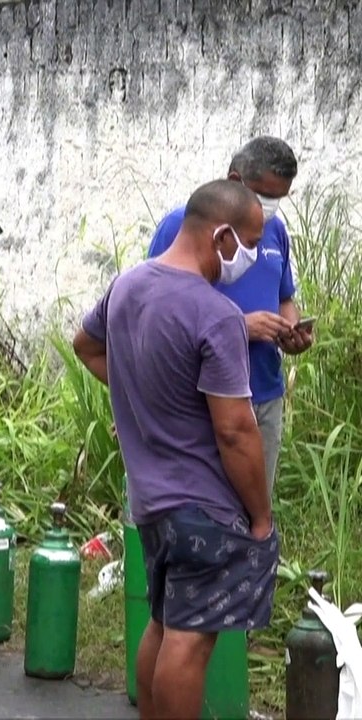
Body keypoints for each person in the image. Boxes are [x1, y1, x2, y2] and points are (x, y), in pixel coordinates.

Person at [73, 179, 278, 719]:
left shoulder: (128, 285)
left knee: (163, 625)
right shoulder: (216, 315)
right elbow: (235, 430)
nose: (251, 257)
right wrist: (261, 518)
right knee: (190, 639)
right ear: (222, 236)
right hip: (204, 504)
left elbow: (86, 345)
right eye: (250, 244)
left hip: (151, 503)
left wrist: (138, 394)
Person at [146, 137, 310, 493]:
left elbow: (285, 297)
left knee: (256, 503)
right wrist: (240, 327)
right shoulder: (181, 226)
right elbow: (158, 312)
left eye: (279, 198)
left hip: (264, 391)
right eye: (265, 195)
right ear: (236, 180)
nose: (270, 208)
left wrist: (291, 328)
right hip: (203, 399)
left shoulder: (275, 231)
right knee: (205, 506)